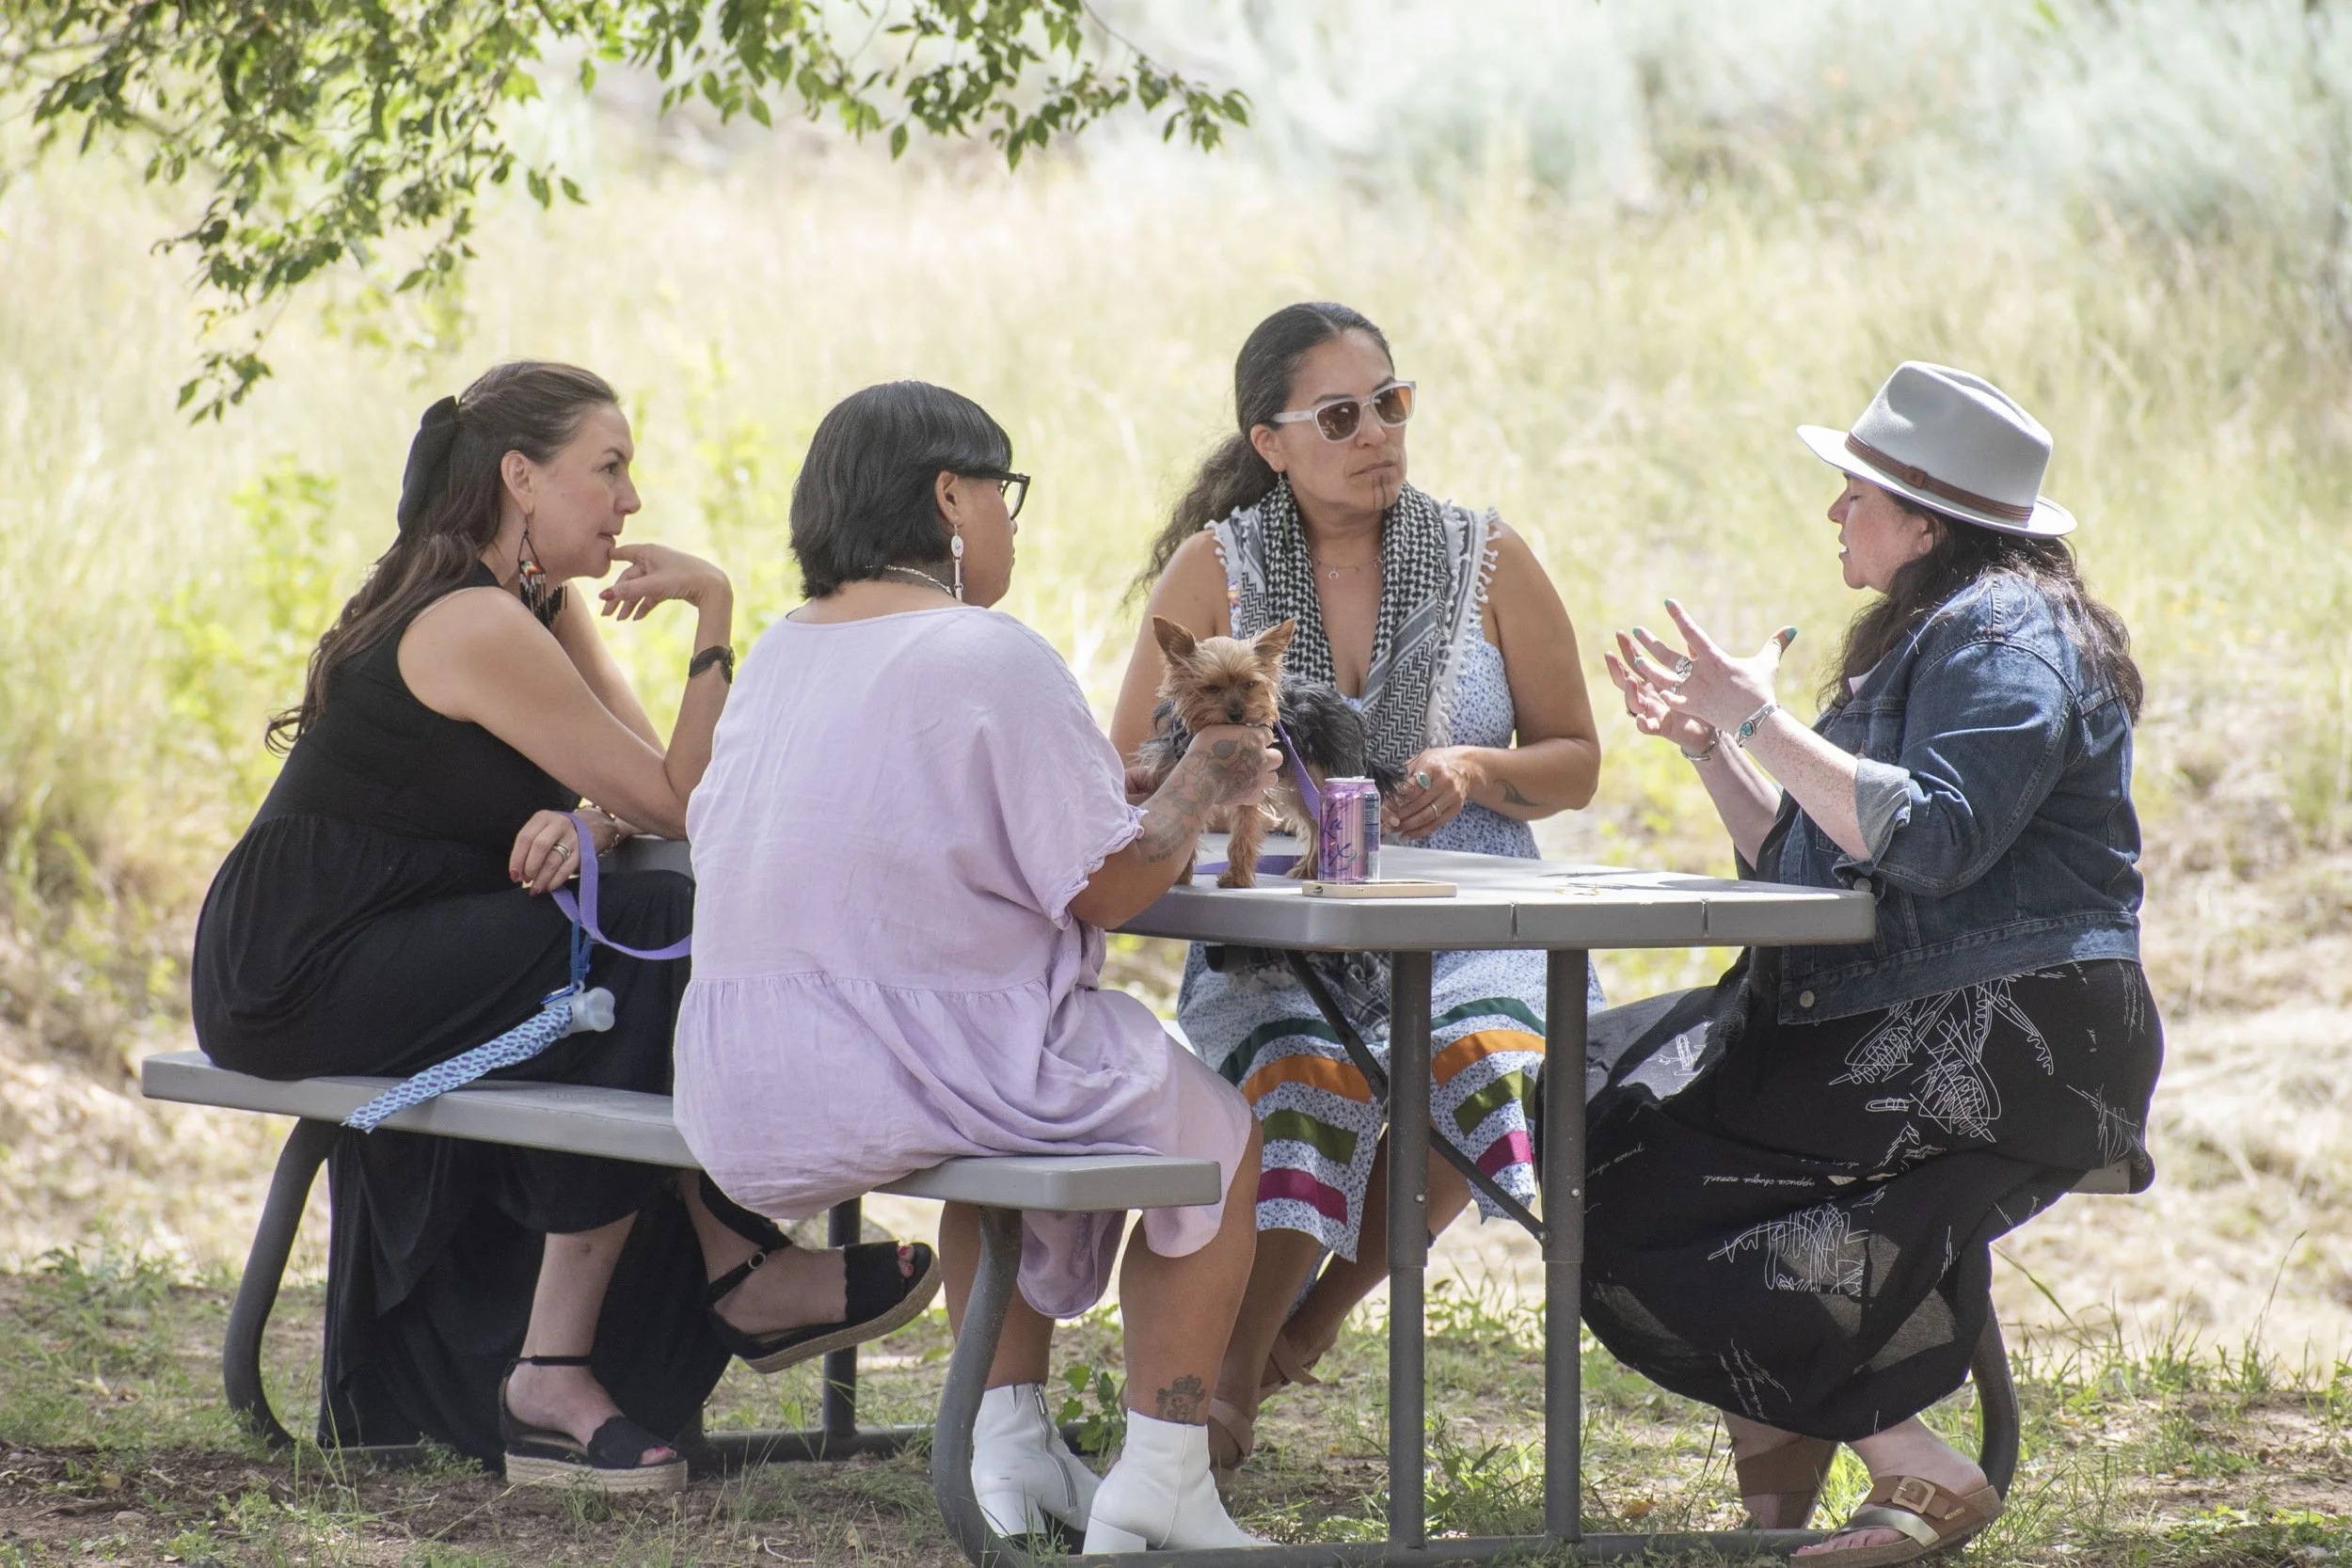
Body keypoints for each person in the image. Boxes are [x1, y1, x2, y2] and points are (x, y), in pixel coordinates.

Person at [191, 362, 935, 1491]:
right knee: (652, 926)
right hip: (298, 963)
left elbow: (652, 791)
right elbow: (679, 806)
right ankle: (596, 1347)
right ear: (519, 477)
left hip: (409, 936)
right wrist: (716, 609)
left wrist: (588, 817)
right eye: (610, 467)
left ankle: (725, 1275)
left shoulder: (540, 606)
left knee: (653, 916)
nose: (630, 500)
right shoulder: (473, 620)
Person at [672, 380, 1275, 1553]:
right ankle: (1165, 1470)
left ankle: (1005, 1447)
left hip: (745, 1075)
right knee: (1220, 1140)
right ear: (950, 495)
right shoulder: (985, 648)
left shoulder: (788, 655)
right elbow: (1105, 882)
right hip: (921, 1062)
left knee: (994, 1129)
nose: (1009, 518)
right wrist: (1207, 774)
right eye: (1003, 490)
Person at [1591, 362, 2162, 1563]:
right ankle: (1802, 1515)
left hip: (2016, 1036)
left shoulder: (2004, 630)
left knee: (1622, 1146)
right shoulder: (1946, 630)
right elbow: (1816, 860)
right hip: (1946, 1018)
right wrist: (1716, 747)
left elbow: (1940, 834)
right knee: (1611, 1102)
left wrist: (1760, 718)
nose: (1835, 513)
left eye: (1853, 492)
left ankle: (1914, 1465)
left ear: (1924, 519)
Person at [1110, 301, 1605, 1468]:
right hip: (1271, 914)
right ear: (1269, 441)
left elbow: (1576, 758)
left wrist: (1481, 768)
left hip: (1467, 904)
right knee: (1303, 1069)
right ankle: (1226, 1373)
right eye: (1340, 414)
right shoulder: (1214, 567)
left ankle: (1311, 1319)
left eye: (1392, 402)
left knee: (1472, 1058)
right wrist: (1208, 771)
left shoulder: (1489, 553)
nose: (1377, 431)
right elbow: (1125, 761)